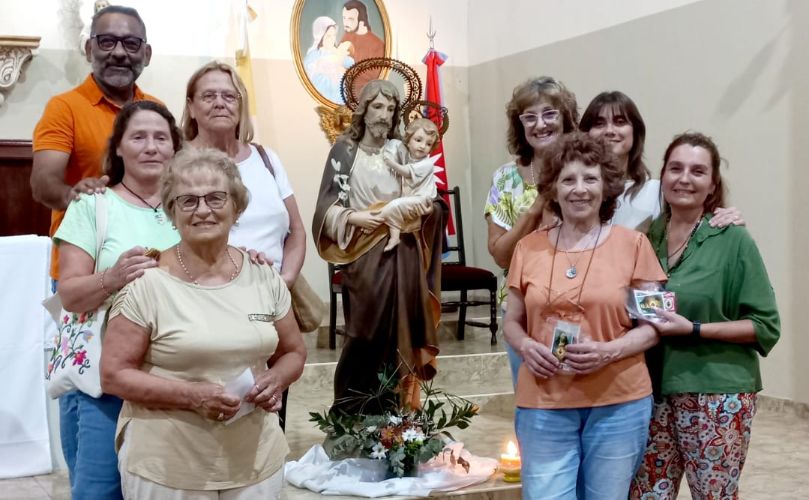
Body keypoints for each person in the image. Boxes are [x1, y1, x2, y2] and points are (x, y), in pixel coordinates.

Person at [100, 147, 306, 499]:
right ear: (172, 211)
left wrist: (276, 379)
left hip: (256, 461)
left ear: (236, 207)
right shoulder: (147, 283)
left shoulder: (263, 276)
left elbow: (294, 352)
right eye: (188, 201)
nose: (203, 210)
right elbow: (113, 374)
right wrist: (191, 396)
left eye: (215, 198)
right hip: (168, 466)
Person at [504, 132, 667, 499]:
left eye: (590, 178)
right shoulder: (527, 248)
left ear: (607, 187)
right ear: (553, 189)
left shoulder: (635, 244)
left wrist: (609, 350)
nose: (580, 189)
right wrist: (527, 346)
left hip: (619, 402)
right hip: (544, 401)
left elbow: (655, 327)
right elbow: (511, 322)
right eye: (568, 179)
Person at [630, 132, 780, 500]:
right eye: (675, 168)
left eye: (698, 171)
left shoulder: (732, 239)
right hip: (652, 391)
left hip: (715, 394)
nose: (684, 178)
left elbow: (765, 325)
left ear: (712, 184)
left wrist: (694, 329)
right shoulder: (646, 236)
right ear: (661, 176)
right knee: (646, 494)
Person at [52, 100, 182, 500]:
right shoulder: (93, 205)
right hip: (104, 386)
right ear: (119, 147)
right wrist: (113, 276)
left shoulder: (192, 208)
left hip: (175, 382)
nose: (151, 146)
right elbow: (69, 295)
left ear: (176, 148)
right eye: (138, 137)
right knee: (100, 491)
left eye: (161, 137)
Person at [312, 80, 447, 414]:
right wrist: (356, 218)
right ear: (364, 110)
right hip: (363, 253)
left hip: (404, 251)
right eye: (377, 107)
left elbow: (426, 189)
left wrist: (430, 209)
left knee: (402, 333)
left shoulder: (401, 150)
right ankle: (352, 410)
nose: (384, 115)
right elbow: (327, 204)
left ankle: (397, 415)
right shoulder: (344, 150)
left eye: (390, 109)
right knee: (364, 332)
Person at [32, 4, 158, 284]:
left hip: (149, 265)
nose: (119, 52)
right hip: (82, 272)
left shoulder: (156, 111)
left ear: (146, 54)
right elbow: (43, 184)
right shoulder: (64, 108)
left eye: (131, 43)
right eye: (107, 41)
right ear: (89, 50)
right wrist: (77, 199)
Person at [484, 76, 578, 384]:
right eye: (530, 117)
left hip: (580, 304)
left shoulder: (585, 171)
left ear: (565, 118)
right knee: (532, 399)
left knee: (576, 393)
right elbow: (500, 255)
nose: (540, 124)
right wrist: (537, 206)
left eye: (549, 113)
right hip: (521, 311)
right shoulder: (505, 178)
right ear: (519, 124)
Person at [181, 61, 305, 291]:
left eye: (229, 96)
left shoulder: (266, 158)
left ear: (240, 105)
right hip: (205, 296)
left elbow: (296, 230)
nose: (219, 103)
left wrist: (286, 279)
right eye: (208, 96)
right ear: (191, 107)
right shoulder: (175, 161)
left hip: (274, 293)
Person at [579, 90, 743, 231]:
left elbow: (699, 227)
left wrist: (727, 216)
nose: (609, 131)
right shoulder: (574, 191)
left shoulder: (659, 191)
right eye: (599, 123)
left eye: (620, 122)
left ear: (636, 132)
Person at [380, 117, 441, 251]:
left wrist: (391, 163)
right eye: (418, 140)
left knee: (393, 207)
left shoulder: (426, 164)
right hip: (411, 199)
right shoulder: (407, 155)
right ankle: (395, 238)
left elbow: (407, 172)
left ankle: (379, 223)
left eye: (428, 144)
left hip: (422, 200)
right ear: (408, 141)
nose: (423, 146)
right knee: (394, 210)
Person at [304, 17, 355, 104]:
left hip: (340, 96)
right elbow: (310, 77)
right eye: (328, 36)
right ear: (320, 36)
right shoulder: (313, 55)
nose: (332, 39)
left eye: (334, 35)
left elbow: (350, 65)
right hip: (321, 95)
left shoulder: (339, 52)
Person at [340, 0, 384, 95]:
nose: (345, 23)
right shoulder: (347, 36)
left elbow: (375, 77)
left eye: (350, 19)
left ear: (361, 20)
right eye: (344, 18)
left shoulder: (378, 45)